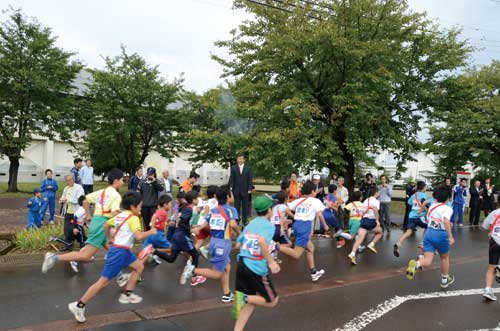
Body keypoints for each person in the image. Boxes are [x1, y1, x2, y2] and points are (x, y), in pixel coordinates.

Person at [67, 191, 157, 323]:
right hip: (119, 253)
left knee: (139, 267)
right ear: (133, 206)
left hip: (123, 251)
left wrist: (109, 239)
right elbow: (138, 236)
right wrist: (152, 231)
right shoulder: (133, 218)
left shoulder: (121, 215)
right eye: (140, 206)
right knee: (103, 282)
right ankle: (79, 305)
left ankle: (127, 294)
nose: (141, 208)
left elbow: (106, 225)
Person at [42, 169, 124, 273]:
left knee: (113, 250)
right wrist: (128, 216)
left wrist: (88, 214)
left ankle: (124, 273)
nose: (122, 182)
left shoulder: (102, 192)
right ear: (116, 180)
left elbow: (83, 199)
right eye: (122, 180)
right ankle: (54, 258)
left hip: (97, 222)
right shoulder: (116, 196)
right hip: (102, 225)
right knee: (86, 256)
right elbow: (114, 213)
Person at [231, 195, 280, 331]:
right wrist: (271, 262)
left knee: (252, 302)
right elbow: (262, 241)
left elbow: (238, 244)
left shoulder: (251, 223)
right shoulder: (269, 226)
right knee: (272, 301)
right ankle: (244, 298)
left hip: (242, 264)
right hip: (256, 268)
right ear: (269, 210)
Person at [190, 186, 242, 301]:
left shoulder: (214, 210)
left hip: (213, 243)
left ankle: (226, 294)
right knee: (217, 273)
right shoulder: (230, 209)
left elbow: (205, 222)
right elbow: (233, 224)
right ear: (228, 197)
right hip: (223, 244)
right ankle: (192, 270)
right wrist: (240, 234)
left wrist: (198, 229)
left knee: (226, 267)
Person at [406, 186, 455, 289]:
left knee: (427, 260)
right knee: (445, 258)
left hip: (429, 233)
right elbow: (446, 221)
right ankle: (444, 280)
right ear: (448, 198)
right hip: (441, 235)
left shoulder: (432, 206)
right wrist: (450, 236)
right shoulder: (448, 208)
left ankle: (417, 264)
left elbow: (429, 219)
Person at [279, 180, 328, 281]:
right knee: (296, 254)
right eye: (315, 191)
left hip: (297, 225)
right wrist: (325, 226)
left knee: (310, 248)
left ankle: (313, 272)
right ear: (313, 191)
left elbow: (284, 209)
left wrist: (285, 220)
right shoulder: (315, 201)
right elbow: (319, 214)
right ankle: (275, 246)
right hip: (304, 227)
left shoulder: (299, 200)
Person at [153, 191, 203, 285]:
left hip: (177, 235)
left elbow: (182, 221)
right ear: (193, 200)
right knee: (195, 255)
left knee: (171, 258)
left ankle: (153, 251)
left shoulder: (185, 207)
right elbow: (181, 222)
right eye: (197, 199)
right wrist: (191, 230)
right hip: (182, 236)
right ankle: (194, 277)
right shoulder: (188, 209)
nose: (198, 200)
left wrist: (192, 227)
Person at [393, 181, 429, 258]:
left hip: (411, 216)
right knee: (428, 227)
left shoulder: (414, 195)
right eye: (425, 187)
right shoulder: (425, 195)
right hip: (420, 216)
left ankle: (398, 243)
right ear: (423, 188)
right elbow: (425, 204)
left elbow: (409, 203)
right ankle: (422, 243)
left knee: (409, 231)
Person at [348, 187, 383, 265]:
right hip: (371, 221)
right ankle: (372, 244)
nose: (378, 194)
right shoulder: (376, 201)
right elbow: (375, 210)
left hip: (363, 221)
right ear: (376, 193)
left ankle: (352, 253)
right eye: (378, 192)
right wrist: (377, 220)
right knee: (380, 233)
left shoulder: (365, 200)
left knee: (359, 239)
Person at [143, 194, 173, 265]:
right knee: (172, 249)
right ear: (165, 204)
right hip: (158, 234)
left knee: (144, 252)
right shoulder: (163, 212)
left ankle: (151, 256)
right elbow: (154, 217)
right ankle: (155, 251)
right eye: (170, 203)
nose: (171, 205)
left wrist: (167, 224)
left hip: (151, 235)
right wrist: (153, 228)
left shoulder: (159, 210)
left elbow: (158, 221)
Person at [59, 175, 85, 251]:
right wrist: (61, 200)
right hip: (68, 212)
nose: (69, 182)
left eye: (70, 180)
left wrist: (67, 199)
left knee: (78, 229)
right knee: (67, 229)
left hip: (77, 213)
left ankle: (82, 243)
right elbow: (63, 197)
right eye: (67, 180)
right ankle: (68, 244)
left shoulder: (79, 188)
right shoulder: (66, 188)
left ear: (74, 180)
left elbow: (79, 200)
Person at [481, 206, 500, 301]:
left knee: (491, 267)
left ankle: (488, 290)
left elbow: (484, 226)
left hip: (495, 240)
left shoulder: (494, 213)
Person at [229, 154, 253, 225]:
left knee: (245, 207)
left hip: (245, 190)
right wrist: (231, 188)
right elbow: (232, 178)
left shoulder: (248, 168)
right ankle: (237, 220)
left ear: (244, 160)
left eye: (241, 159)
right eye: (238, 159)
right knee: (236, 207)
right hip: (236, 190)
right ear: (237, 160)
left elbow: (249, 179)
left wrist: (249, 188)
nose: (240, 160)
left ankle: (244, 221)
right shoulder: (233, 168)